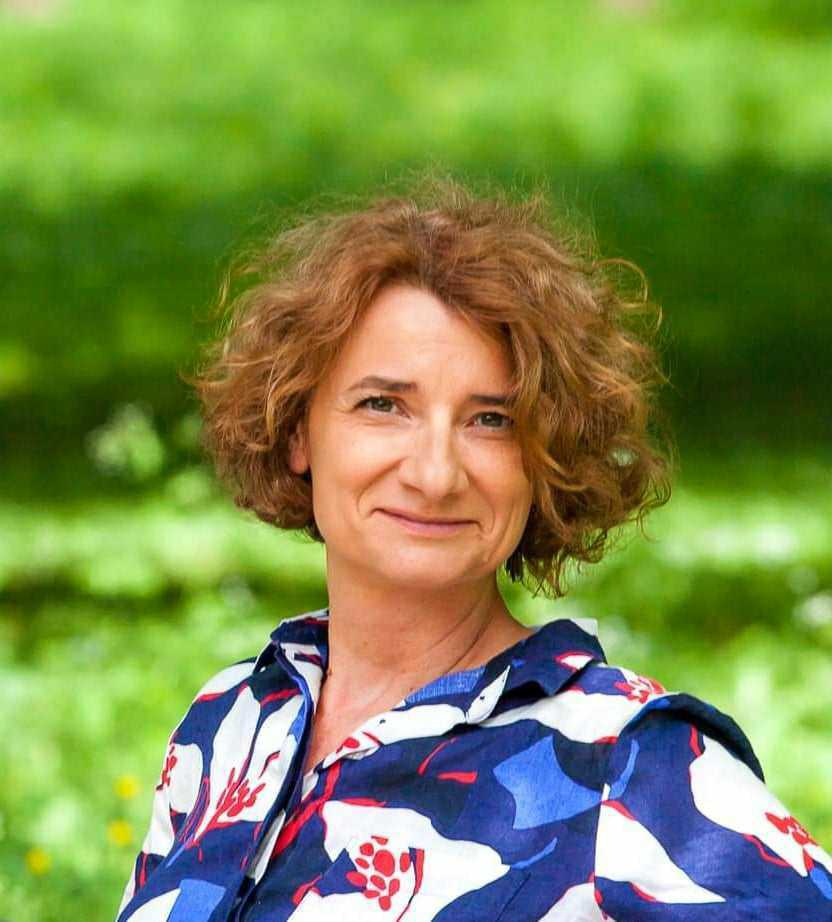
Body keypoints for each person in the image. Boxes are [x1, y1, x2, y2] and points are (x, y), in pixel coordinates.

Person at [115, 178, 832, 921]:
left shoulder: (625, 761)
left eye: (491, 420)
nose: (435, 474)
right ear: (298, 430)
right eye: (384, 405)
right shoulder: (232, 719)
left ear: (544, 458)